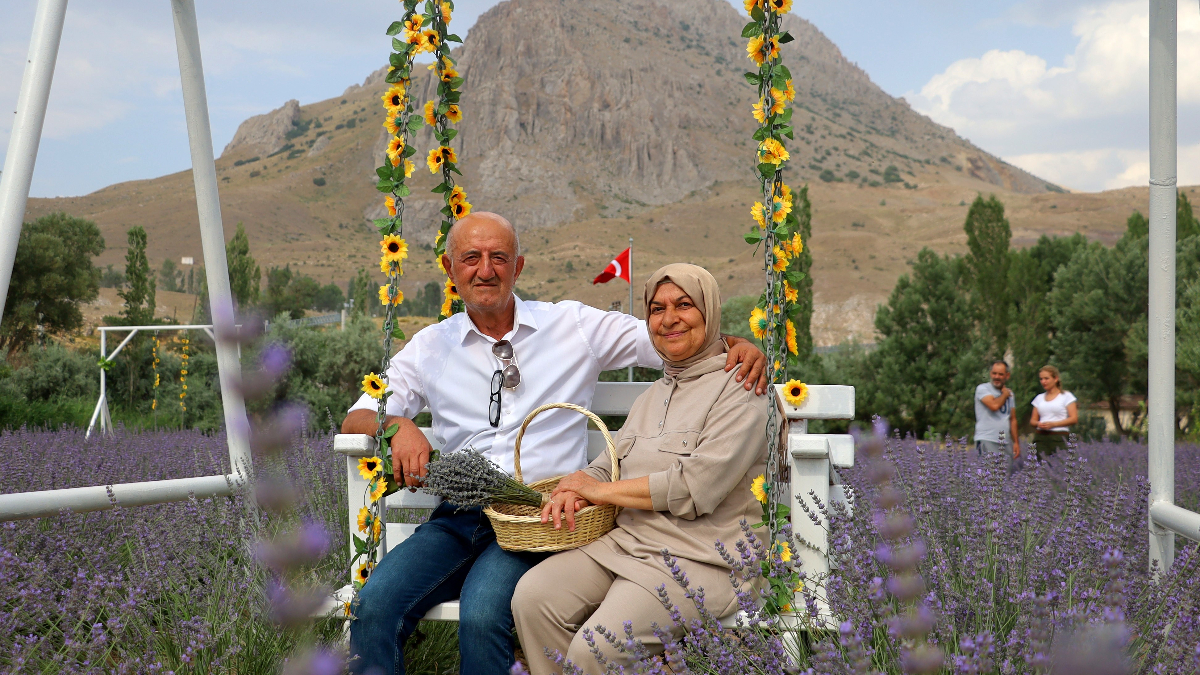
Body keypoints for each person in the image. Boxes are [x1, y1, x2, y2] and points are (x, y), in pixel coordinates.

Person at [341, 213, 770, 675]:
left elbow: (672, 337)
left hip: (545, 520)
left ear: (518, 267)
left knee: (484, 614)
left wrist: (737, 344)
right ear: (450, 270)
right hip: (460, 517)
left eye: (498, 257)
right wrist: (397, 425)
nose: (485, 269)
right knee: (373, 606)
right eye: (471, 258)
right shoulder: (429, 347)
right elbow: (358, 416)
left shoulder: (572, 326)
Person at [511, 263, 771, 675]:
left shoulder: (741, 389)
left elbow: (693, 489)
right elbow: (610, 463)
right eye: (656, 308)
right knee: (532, 598)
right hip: (630, 543)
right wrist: (575, 486)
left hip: (703, 559)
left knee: (596, 650)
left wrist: (598, 493)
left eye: (684, 305)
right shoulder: (654, 394)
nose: (668, 319)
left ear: (710, 311)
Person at [973, 360, 1020, 467]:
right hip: (987, 438)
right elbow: (994, 406)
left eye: (1000, 374)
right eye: (994, 373)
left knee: (1005, 477)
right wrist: (1004, 394)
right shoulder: (983, 389)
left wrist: (1016, 442)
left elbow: (1012, 419)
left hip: (1005, 442)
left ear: (1007, 376)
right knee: (987, 477)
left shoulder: (1010, 394)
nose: (997, 377)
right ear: (990, 374)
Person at [1029, 364, 1078, 460]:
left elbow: (1073, 419)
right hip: (1041, 438)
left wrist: (1053, 424)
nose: (1043, 382)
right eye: (1041, 379)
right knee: (1039, 467)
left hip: (1059, 438)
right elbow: (1033, 421)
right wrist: (1039, 424)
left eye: (1046, 378)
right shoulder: (1039, 398)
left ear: (1055, 379)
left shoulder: (1067, 396)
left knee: (1060, 467)